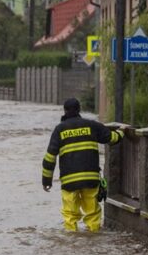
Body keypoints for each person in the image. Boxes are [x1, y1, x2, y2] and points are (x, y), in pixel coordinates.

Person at [41, 98, 123, 232]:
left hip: (69, 181)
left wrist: (46, 181)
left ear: (65, 111)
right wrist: (122, 132)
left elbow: (50, 158)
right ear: (79, 109)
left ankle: (72, 242)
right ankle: (93, 237)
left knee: (70, 214)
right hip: (90, 179)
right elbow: (111, 138)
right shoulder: (91, 125)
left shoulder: (59, 130)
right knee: (92, 213)